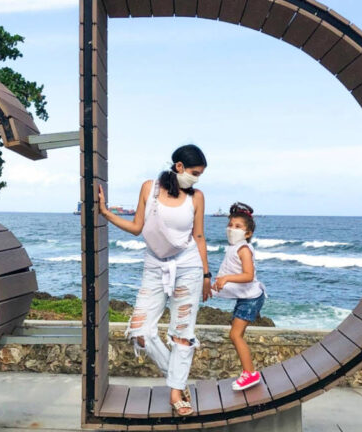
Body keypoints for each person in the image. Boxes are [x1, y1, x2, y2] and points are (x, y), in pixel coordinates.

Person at [97, 144, 211, 416]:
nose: (196, 178)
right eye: (194, 172)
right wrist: (106, 213)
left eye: (200, 174)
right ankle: (178, 380)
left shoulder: (196, 197)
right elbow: (137, 227)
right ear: (179, 166)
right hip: (154, 267)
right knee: (140, 331)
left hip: (188, 267)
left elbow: (199, 236)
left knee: (182, 334)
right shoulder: (151, 188)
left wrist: (207, 274)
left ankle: (175, 393)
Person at [208, 202, 266, 391]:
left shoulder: (243, 249)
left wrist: (226, 279)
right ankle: (247, 372)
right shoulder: (233, 247)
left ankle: (250, 373)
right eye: (230, 225)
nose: (232, 229)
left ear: (247, 233)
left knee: (235, 335)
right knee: (235, 334)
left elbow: (248, 275)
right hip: (246, 297)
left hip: (251, 298)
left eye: (238, 227)